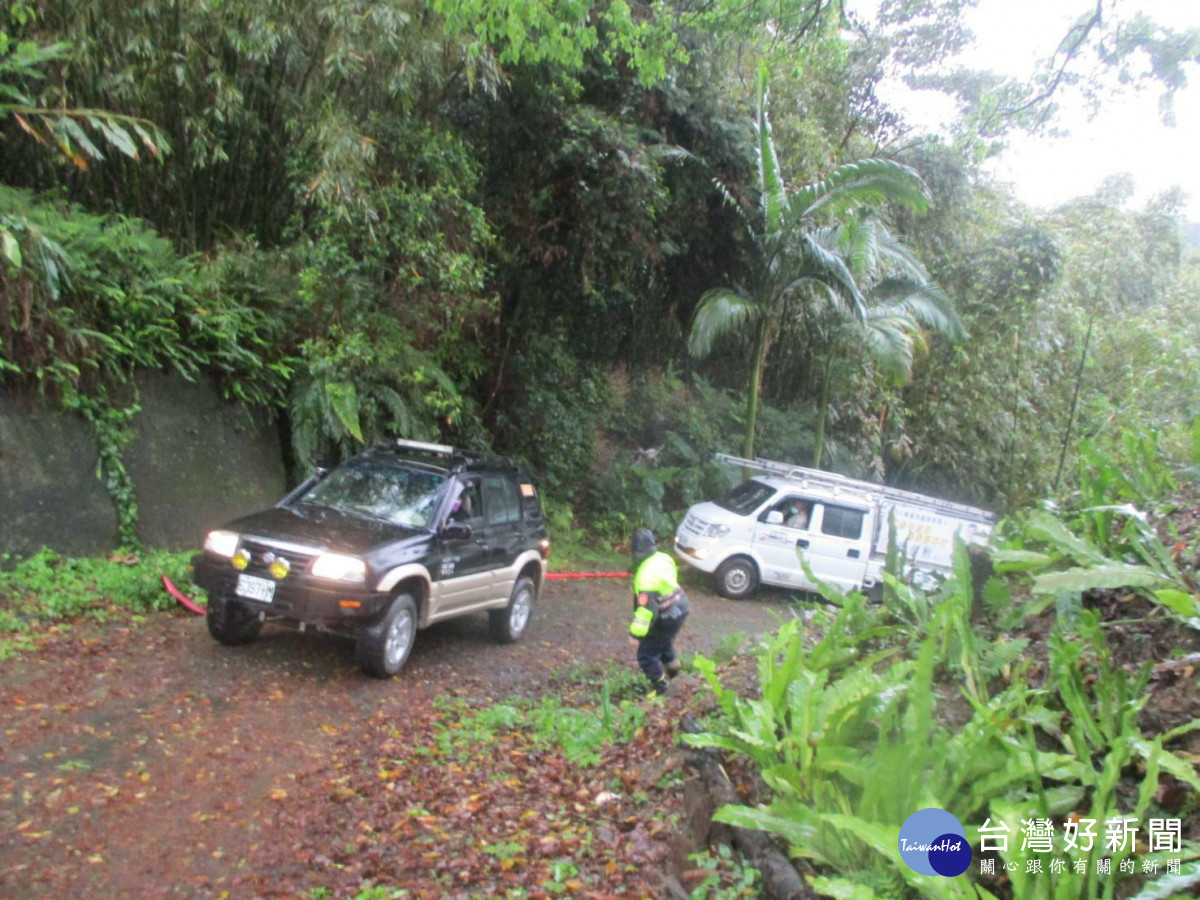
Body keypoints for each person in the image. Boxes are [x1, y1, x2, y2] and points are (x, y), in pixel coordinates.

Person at [627, 528, 690, 696]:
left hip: (666, 614)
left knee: (646, 654)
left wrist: (636, 635)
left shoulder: (645, 577)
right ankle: (674, 668)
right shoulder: (663, 558)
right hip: (681, 606)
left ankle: (661, 686)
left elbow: (647, 611)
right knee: (663, 640)